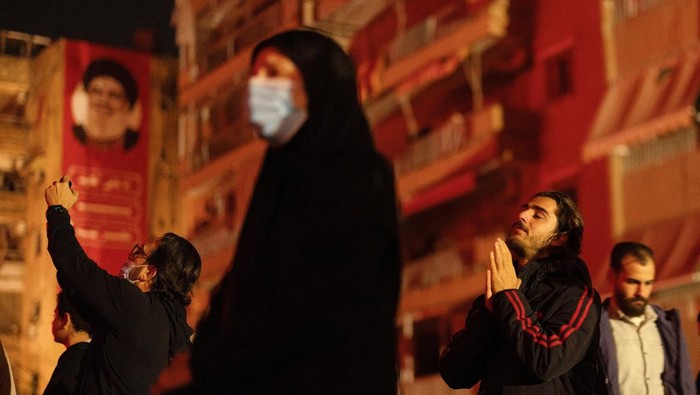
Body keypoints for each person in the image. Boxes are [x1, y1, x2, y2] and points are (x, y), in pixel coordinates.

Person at [182, 29, 401, 393]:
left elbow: (326, 301)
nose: (256, 88)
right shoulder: (278, 180)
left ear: (319, 83)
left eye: (273, 73)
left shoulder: (358, 175)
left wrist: (218, 361)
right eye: (253, 76)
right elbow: (247, 286)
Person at [44, 177, 202, 394]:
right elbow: (79, 285)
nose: (130, 257)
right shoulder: (173, 333)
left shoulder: (134, 307)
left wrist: (58, 211)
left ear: (148, 272)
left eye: (139, 253)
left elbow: (77, 267)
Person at [439, 191, 601, 394]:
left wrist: (509, 297)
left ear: (559, 238)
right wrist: (487, 317)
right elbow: (453, 373)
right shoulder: (497, 296)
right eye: (524, 209)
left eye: (538, 215)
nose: (522, 216)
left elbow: (546, 360)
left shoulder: (577, 295)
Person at [597, 241, 695, 395]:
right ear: (612, 276)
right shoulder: (595, 326)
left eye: (648, 283)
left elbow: (683, 382)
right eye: (632, 282)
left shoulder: (667, 325)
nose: (641, 292)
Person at [72, 58, 140, 150]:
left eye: (114, 95)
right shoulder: (74, 136)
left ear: (127, 105)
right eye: (96, 92)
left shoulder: (134, 143)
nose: (104, 100)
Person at [44, 291, 92, 395]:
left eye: (55, 315)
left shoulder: (72, 359)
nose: (52, 322)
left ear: (65, 320)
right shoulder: (97, 355)